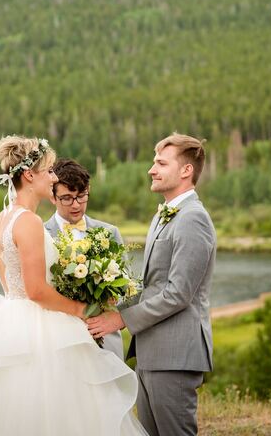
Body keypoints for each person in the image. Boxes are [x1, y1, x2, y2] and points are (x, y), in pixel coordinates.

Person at [0, 135, 148, 436]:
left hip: (9, 322)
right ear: (29, 175)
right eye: (49, 170)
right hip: (36, 328)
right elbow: (35, 290)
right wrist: (80, 309)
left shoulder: (3, 218)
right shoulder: (30, 222)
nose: (53, 177)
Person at [87, 133, 216, 436]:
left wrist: (120, 319)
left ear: (186, 171)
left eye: (160, 162)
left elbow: (178, 294)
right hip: (151, 351)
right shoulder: (165, 215)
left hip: (175, 353)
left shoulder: (193, 218)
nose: (151, 169)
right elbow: (154, 285)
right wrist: (109, 307)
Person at [44, 157, 125, 359]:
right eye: (67, 198)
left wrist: (112, 299)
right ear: (52, 197)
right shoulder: (40, 235)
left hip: (103, 339)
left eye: (81, 196)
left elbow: (126, 288)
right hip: (56, 340)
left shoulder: (109, 232)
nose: (76, 205)